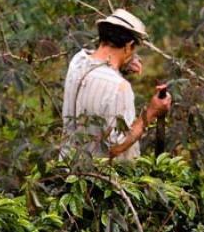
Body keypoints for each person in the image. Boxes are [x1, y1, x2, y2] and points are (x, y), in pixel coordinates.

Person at [60, 8, 172, 161]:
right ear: (128, 46)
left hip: (67, 167)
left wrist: (121, 65)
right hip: (99, 179)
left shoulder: (77, 62)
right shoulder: (119, 87)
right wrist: (152, 112)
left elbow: (97, 67)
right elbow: (115, 146)